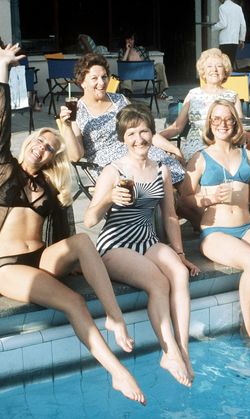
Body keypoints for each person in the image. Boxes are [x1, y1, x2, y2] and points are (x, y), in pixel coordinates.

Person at [0, 43, 145, 404]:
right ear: (29, 143)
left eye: (50, 146)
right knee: (73, 302)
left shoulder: (50, 187)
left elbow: (65, 232)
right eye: (40, 140)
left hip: (42, 259)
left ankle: (115, 316)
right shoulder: (3, 170)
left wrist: (79, 264)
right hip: (8, 267)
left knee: (84, 242)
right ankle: (117, 371)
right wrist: (3, 70)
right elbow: (1, 120)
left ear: (53, 156)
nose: (43, 147)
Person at [84, 103, 200, 387]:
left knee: (179, 274)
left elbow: (171, 216)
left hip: (147, 239)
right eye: (132, 133)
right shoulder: (113, 171)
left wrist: (181, 254)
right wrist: (109, 197)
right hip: (116, 243)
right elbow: (89, 220)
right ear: (123, 138)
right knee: (159, 283)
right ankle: (168, 351)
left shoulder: (161, 169)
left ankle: (183, 350)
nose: (139, 139)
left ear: (152, 133)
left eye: (144, 132)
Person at [182, 99, 250, 340]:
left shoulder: (247, 155)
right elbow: (182, 200)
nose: (222, 124)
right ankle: (247, 331)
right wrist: (207, 197)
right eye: (216, 119)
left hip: (246, 227)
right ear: (209, 124)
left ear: (236, 123)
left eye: (228, 119)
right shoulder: (200, 157)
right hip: (215, 232)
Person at [59, 53, 184, 184]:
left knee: (174, 169)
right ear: (82, 82)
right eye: (94, 78)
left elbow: (145, 131)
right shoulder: (76, 110)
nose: (101, 83)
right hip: (110, 165)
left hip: (138, 150)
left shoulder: (119, 101)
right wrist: (67, 126)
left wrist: (173, 149)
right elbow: (75, 156)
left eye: (104, 77)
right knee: (152, 178)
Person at [160, 48, 243, 232]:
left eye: (219, 66)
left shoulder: (232, 96)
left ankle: (215, 222)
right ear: (203, 71)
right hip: (195, 153)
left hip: (223, 150)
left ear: (225, 72)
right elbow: (177, 127)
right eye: (210, 66)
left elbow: (239, 128)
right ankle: (205, 222)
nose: (214, 70)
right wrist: (159, 138)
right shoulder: (193, 94)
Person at [119, 31, 172, 100]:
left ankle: (160, 92)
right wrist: (127, 50)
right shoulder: (122, 51)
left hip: (145, 72)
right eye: (128, 39)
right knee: (127, 74)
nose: (130, 41)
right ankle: (127, 95)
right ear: (125, 40)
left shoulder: (140, 49)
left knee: (160, 65)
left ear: (134, 40)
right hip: (131, 74)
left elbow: (148, 62)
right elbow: (122, 65)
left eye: (131, 39)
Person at [211, 0, 246, 70]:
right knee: (230, 64)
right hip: (234, 41)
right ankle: (230, 79)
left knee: (223, 64)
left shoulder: (222, 7)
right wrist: (242, 40)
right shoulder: (238, 8)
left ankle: (224, 80)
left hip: (225, 40)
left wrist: (213, 27)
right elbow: (243, 25)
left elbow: (223, 24)